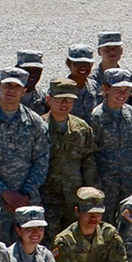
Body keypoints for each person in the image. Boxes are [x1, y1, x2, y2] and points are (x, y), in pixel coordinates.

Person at [41, 78, 98, 234]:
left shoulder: (81, 129)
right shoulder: (38, 128)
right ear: (49, 99)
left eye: (69, 99)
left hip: (74, 198)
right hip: (47, 198)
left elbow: (88, 162)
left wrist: (88, 194)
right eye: (59, 99)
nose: (64, 103)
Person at [91, 68, 132, 206]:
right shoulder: (97, 117)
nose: (123, 94)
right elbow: (90, 153)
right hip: (106, 182)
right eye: (118, 89)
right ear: (106, 89)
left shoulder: (131, 113)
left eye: (126, 89)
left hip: (129, 180)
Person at [0, 51, 49, 115]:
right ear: (17, 69)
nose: (32, 74)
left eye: (36, 70)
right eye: (27, 70)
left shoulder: (44, 98)